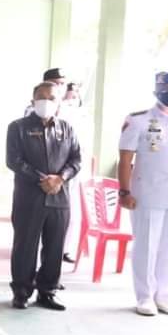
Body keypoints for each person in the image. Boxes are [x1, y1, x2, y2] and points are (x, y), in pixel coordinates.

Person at [118, 72, 168, 317]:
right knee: (146, 246)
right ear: (156, 91)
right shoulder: (138, 120)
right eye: (166, 88)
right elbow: (125, 158)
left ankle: (164, 296)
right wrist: (124, 191)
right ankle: (145, 296)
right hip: (148, 192)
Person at [6, 82, 82, 310]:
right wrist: (42, 179)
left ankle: (47, 291)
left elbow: (76, 160)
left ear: (59, 103)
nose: (46, 102)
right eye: (41, 97)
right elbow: (14, 160)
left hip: (59, 196)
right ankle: (21, 291)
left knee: (55, 247)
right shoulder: (18, 127)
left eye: (51, 98)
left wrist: (60, 178)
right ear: (33, 101)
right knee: (25, 246)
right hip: (29, 197)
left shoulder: (67, 129)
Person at [61, 82, 88, 263]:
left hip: (78, 167)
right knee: (59, 211)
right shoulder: (59, 111)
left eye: (77, 93)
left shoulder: (83, 114)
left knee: (75, 212)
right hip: (61, 168)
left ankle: (67, 248)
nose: (74, 96)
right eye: (71, 92)